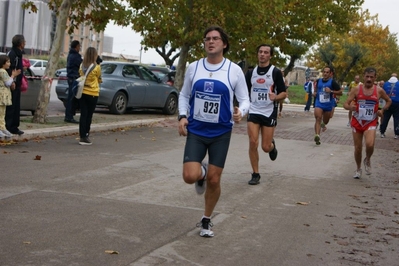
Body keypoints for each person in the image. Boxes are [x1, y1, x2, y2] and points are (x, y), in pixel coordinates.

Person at [177, 26, 250, 237]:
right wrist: (182, 116)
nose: (211, 42)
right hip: (197, 130)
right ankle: (201, 173)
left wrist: (241, 112)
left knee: (215, 180)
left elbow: (245, 100)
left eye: (215, 39)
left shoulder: (234, 70)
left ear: (224, 44)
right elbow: (184, 95)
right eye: (207, 38)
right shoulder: (194, 67)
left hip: (221, 132)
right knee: (189, 176)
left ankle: (207, 220)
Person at [246, 44, 287, 185]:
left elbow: (284, 93)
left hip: (269, 111)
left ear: (270, 55)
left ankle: (272, 146)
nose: (262, 54)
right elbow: (244, 92)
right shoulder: (251, 73)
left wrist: (275, 97)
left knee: (265, 147)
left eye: (266, 52)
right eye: (260, 52)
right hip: (254, 110)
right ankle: (255, 174)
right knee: (252, 142)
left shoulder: (274, 72)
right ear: (257, 54)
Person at [343, 67, 391, 179]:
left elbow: (389, 101)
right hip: (357, 121)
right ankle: (358, 168)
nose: (369, 79)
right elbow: (346, 104)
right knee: (358, 148)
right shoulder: (356, 89)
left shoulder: (379, 90)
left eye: (371, 77)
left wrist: (382, 110)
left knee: (370, 144)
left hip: (370, 121)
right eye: (367, 76)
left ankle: (368, 159)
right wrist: (351, 107)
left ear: (375, 78)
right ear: (363, 76)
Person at [78, 47, 102, 145]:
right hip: (93, 93)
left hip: (82, 92)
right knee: (89, 115)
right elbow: (99, 79)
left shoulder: (81, 65)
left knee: (83, 114)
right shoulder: (97, 67)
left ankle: (82, 135)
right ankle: (86, 135)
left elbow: (80, 76)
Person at [313, 66, 342, 145]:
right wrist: (315, 93)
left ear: (330, 74)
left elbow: (340, 92)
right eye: (324, 72)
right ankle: (317, 136)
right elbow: (316, 89)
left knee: (326, 120)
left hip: (328, 104)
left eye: (327, 72)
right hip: (319, 102)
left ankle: (324, 124)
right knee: (318, 118)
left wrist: (331, 91)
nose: (325, 74)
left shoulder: (333, 82)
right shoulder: (319, 81)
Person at [5, 34, 25, 135]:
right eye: (24, 42)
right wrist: (12, 81)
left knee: (16, 106)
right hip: (11, 84)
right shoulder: (12, 54)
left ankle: (14, 126)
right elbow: (9, 69)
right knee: (10, 107)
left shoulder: (19, 54)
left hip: (17, 84)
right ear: (21, 43)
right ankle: (8, 126)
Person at [0, 55, 21, 139]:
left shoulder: (3, 71)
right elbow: (8, 82)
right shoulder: (2, 71)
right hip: (2, 95)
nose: (9, 63)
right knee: (1, 114)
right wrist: (13, 75)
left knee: (2, 113)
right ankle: (1, 128)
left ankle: (3, 128)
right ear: (2, 63)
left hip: (4, 95)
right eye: (7, 62)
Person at [65, 40, 82, 123]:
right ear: (76, 47)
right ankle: (69, 116)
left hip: (71, 78)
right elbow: (81, 65)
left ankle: (69, 115)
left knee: (71, 98)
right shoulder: (76, 56)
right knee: (72, 99)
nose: (80, 48)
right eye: (79, 46)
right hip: (74, 78)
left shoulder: (70, 55)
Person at [380, 73, 399, 139]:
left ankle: (382, 132)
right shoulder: (398, 83)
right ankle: (396, 134)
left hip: (387, 103)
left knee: (385, 118)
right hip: (397, 103)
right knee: (396, 119)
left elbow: (382, 93)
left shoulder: (386, 84)